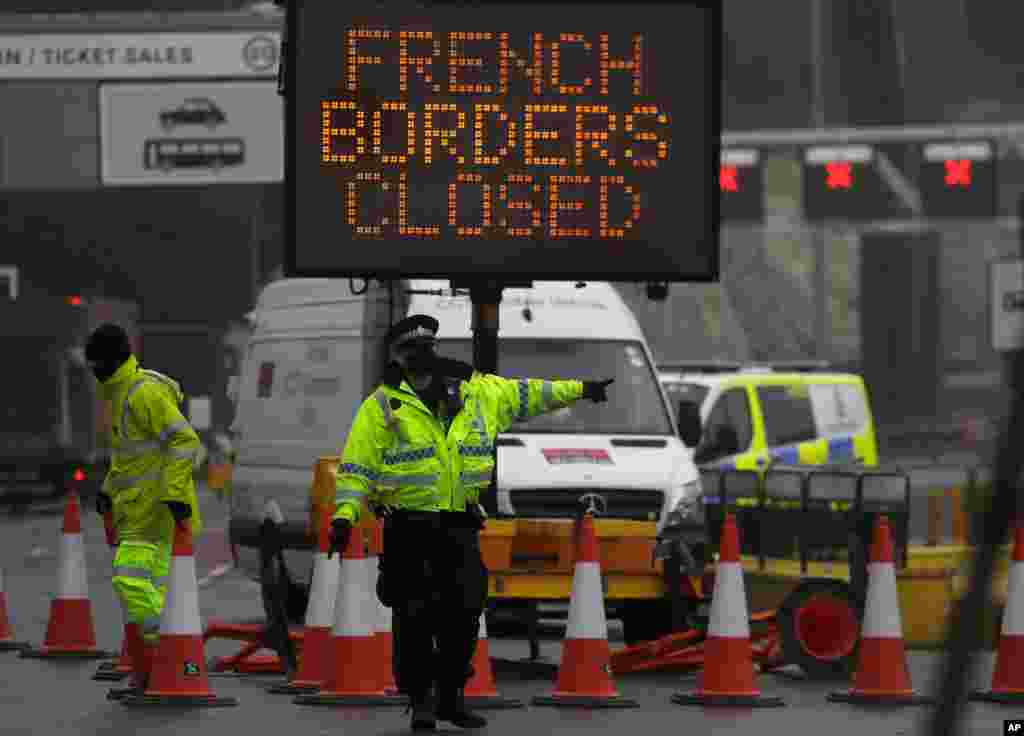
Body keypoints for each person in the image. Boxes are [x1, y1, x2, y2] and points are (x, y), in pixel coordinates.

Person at [328, 314, 614, 731]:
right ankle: (422, 700)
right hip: (408, 526)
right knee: (414, 616)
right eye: (411, 351)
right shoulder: (382, 406)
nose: (420, 357)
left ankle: (450, 696)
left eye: (426, 348)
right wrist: (343, 517)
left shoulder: (478, 391)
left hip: (459, 525)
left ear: (434, 350)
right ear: (399, 357)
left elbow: (531, 393)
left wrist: (582, 390)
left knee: (464, 610)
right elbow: (356, 468)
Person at [86, 323, 202, 697]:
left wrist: (172, 493)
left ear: (110, 361)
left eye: (96, 364)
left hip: (157, 513)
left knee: (130, 581)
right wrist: (107, 490)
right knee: (150, 588)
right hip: (137, 514)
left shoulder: (142, 393)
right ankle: (159, 672)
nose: (93, 371)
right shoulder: (118, 394)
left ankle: (170, 644)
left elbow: (184, 440)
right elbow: (129, 460)